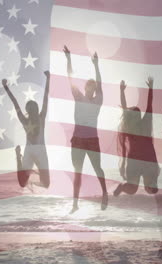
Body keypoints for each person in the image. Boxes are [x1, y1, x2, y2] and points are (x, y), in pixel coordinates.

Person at [63, 45, 108, 213]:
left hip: (92, 139)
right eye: (88, 86)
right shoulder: (79, 97)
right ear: (85, 88)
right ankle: (75, 204)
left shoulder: (98, 100)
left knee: (98, 168)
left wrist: (96, 65)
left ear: (95, 90)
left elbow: (100, 84)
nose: (91, 88)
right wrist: (68, 59)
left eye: (93, 87)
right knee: (78, 171)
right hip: (78, 139)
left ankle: (105, 194)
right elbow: (70, 78)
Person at [2, 70, 51, 189]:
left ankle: (35, 176)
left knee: (47, 184)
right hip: (29, 151)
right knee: (22, 183)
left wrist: (48, 79)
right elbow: (15, 103)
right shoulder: (24, 120)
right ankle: (18, 156)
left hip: (41, 151)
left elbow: (45, 99)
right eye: (30, 107)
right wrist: (6, 87)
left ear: (36, 108)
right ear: (28, 110)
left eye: (34, 106)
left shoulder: (41, 117)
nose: (33, 109)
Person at [114, 77, 159, 196]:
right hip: (134, 160)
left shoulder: (146, 124)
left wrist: (151, 88)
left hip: (148, 160)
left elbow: (150, 105)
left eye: (138, 114)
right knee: (132, 190)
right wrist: (122, 91)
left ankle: (151, 185)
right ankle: (122, 187)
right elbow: (124, 108)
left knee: (151, 190)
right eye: (135, 114)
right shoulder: (129, 128)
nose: (138, 116)